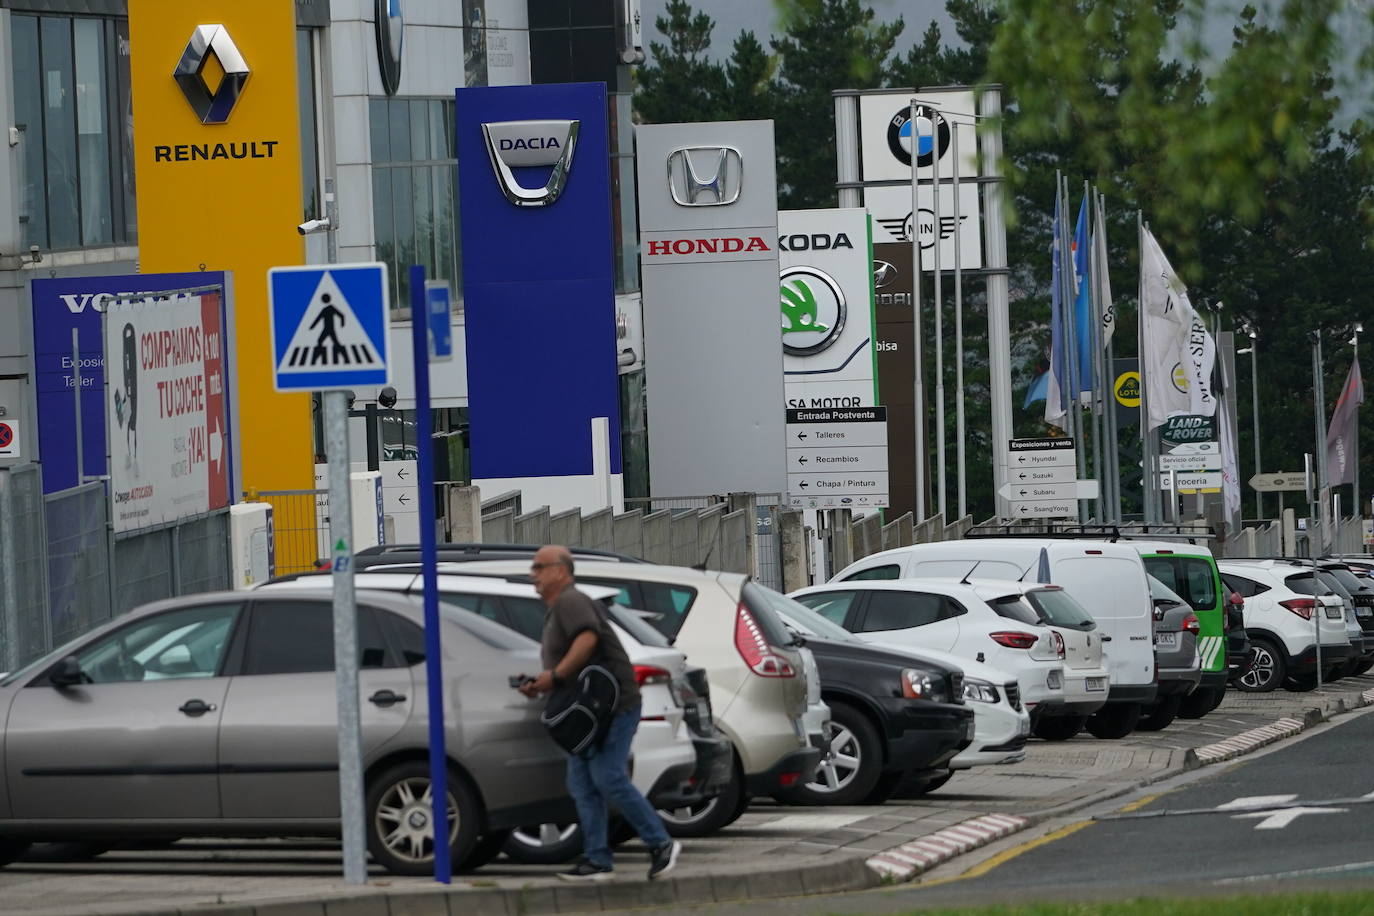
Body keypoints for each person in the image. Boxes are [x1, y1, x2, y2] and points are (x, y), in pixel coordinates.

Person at [519, 545, 681, 882]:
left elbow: (587, 640)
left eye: (539, 567)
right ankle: (597, 860)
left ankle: (661, 843)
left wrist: (556, 676)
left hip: (612, 708)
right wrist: (542, 684)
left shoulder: (571, 601)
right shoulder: (558, 607)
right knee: (581, 783)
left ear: (561, 571)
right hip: (589, 714)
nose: (532, 573)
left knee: (607, 776)